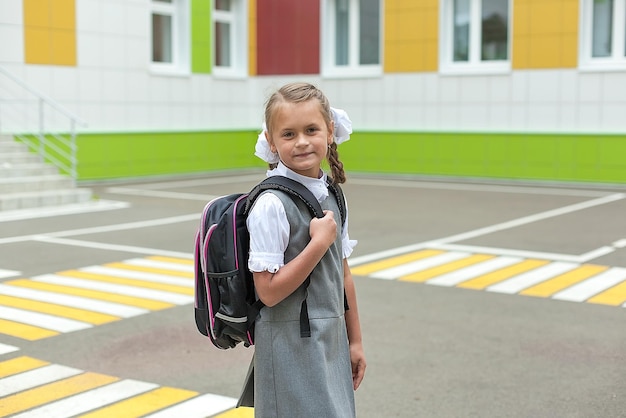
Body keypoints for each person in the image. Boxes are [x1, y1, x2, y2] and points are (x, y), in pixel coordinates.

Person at [245, 82, 366, 417]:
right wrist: (319, 243)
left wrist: (354, 342)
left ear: (330, 131)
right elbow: (268, 293)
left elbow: (343, 275)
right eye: (288, 134)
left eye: (311, 129)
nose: (301, 142)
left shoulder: (332, 195)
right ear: (271, 141)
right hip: (288, 343)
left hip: (330, 338)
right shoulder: (271, 204)